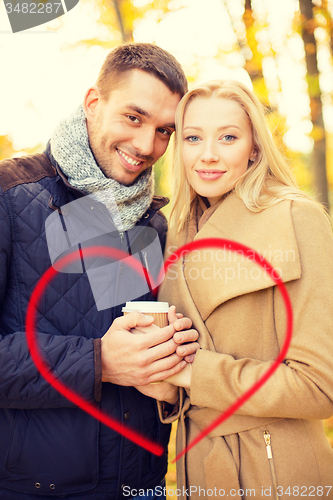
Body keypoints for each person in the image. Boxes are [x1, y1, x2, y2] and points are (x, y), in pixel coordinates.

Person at [0, 43, 200, 500]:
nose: (147, 146)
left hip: (142, 486)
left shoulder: (153, 222)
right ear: (94, 103)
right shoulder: (9, 196)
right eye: (134, 117)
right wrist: (99, 361)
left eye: (165, 130)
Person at [156, 80, 333, 499]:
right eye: (194, 138)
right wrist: (165, 383)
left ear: (254, 147)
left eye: (229, 137)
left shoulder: (297, 219)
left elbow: (321, 386)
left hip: (275, 468)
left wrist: (193, 373)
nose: (208, 155)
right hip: (199, 465)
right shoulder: (174, 232)